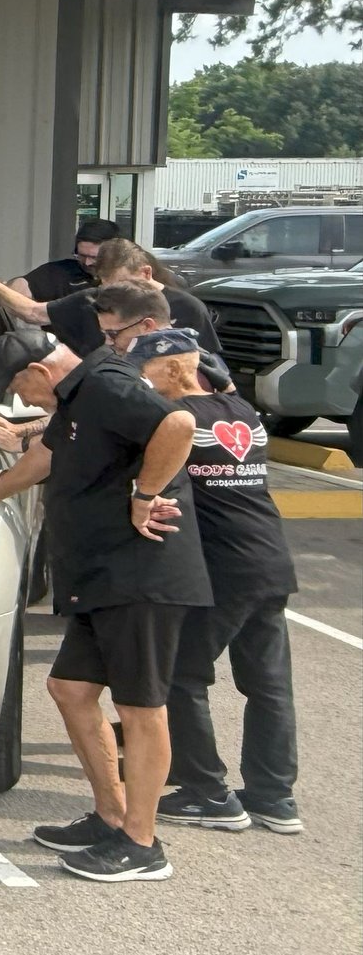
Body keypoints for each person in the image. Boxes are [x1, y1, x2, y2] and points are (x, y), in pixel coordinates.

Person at [0, 325, 205, 882]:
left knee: (141, 709)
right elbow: (39, 460)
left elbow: (178, 423)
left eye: (21, 388)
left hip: (140, 575)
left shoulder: (107, 386)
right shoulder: (77, 400)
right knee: (69, 689)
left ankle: (142, 844)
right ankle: (111, 817)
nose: (21, 400)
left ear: (41, 373)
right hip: (100, 578)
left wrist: (143, 497)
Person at [128, 327, 304, 837]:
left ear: (178, 368)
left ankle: (206, 791)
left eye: (150, 369)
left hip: (222, 569)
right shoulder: (243, 413)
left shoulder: (175, 420)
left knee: (183, 676)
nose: (144, 380)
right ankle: (276, 796)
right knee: (269, 685)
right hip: (270, 562)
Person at [0, 238, 218, 360]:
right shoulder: (95, 299)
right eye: (107, 287)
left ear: (146, 272)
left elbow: (209, 367)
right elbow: (33, 313)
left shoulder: (188, 308)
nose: (116, 296)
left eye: (123, 285)